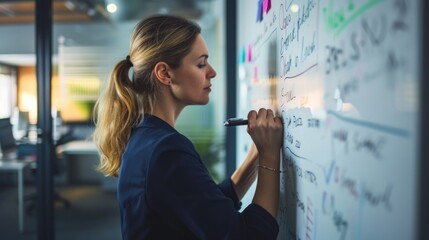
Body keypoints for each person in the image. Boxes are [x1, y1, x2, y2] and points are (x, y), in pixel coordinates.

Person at [93, 14, 283, 240]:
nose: (212, 72)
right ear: (164, 73)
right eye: (201, 63)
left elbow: (202, 206)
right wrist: (270, 156)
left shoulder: (146, 137)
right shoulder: (167, 150)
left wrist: (256, 157)